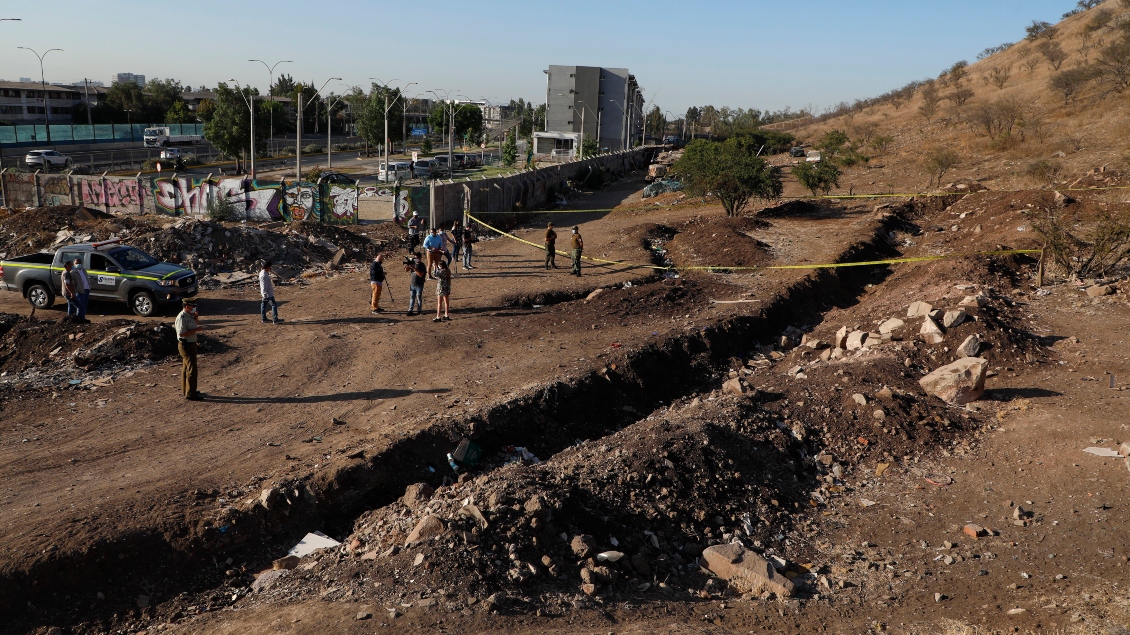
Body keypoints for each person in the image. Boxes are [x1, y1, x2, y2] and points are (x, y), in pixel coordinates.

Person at [175, 297, 204, 400]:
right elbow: (181, 333)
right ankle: (191, 394)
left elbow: (194, 324)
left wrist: (196, 317)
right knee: (192, 369)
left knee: (186, 368)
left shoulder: (189, 315)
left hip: (190, 343)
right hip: (186, 345)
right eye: (192, 306)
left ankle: (187, 390)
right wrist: (196, 329)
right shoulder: (182, 317)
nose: (194, 308)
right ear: (187, 306)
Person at [405, 251, 427, 315]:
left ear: (420, 258)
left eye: (417, 258)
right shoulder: (413, 264)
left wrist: (414, 269)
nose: (415, 259)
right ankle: (410, 310)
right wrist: (408, 265)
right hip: (412, 284)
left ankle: (419, 310)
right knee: (412, 297)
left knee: (419, 297)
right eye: (415, 258)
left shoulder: (422, 265)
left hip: (419, 284)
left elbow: (421, 275)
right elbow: (406, 270)